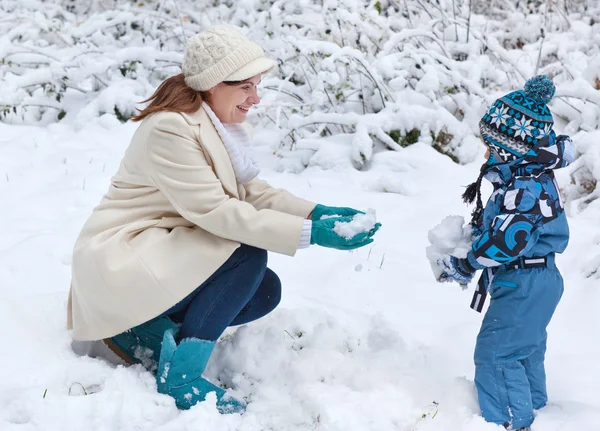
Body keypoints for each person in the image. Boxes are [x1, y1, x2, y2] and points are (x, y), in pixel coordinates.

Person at [67, 25, 380, 414]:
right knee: (245, 254)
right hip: (123, 256)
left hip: (161, 249)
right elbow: (215, 211)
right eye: (246, 86)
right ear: (214, 83)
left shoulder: (217, 124)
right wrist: (308, 233)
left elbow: (250, 191)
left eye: (257, 85)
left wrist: (316, 213)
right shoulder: (170, 128)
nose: (256, 98)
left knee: (263, 290)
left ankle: (144, 333)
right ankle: (179, 375)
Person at [438, 75, 574, 430]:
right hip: (531, 278)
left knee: (497, 354)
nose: (486, 154)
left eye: (491, 147)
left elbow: (508, 240)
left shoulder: (525, 187)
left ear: (511, 148)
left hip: (525, 280)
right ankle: (538, 412)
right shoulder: (525, 178)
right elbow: (505, 232)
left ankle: (509, 422)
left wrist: (467, 262)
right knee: (523, 351)